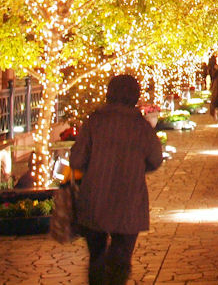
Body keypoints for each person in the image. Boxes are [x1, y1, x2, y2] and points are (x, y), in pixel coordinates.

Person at [69, 74, 163, 285]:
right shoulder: (140, 126)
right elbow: (156, 159)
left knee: (97, 257)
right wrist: (137, 168)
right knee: (121, 259)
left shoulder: (95, 121)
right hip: (129, 200)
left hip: (95, 198)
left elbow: (77, 159)